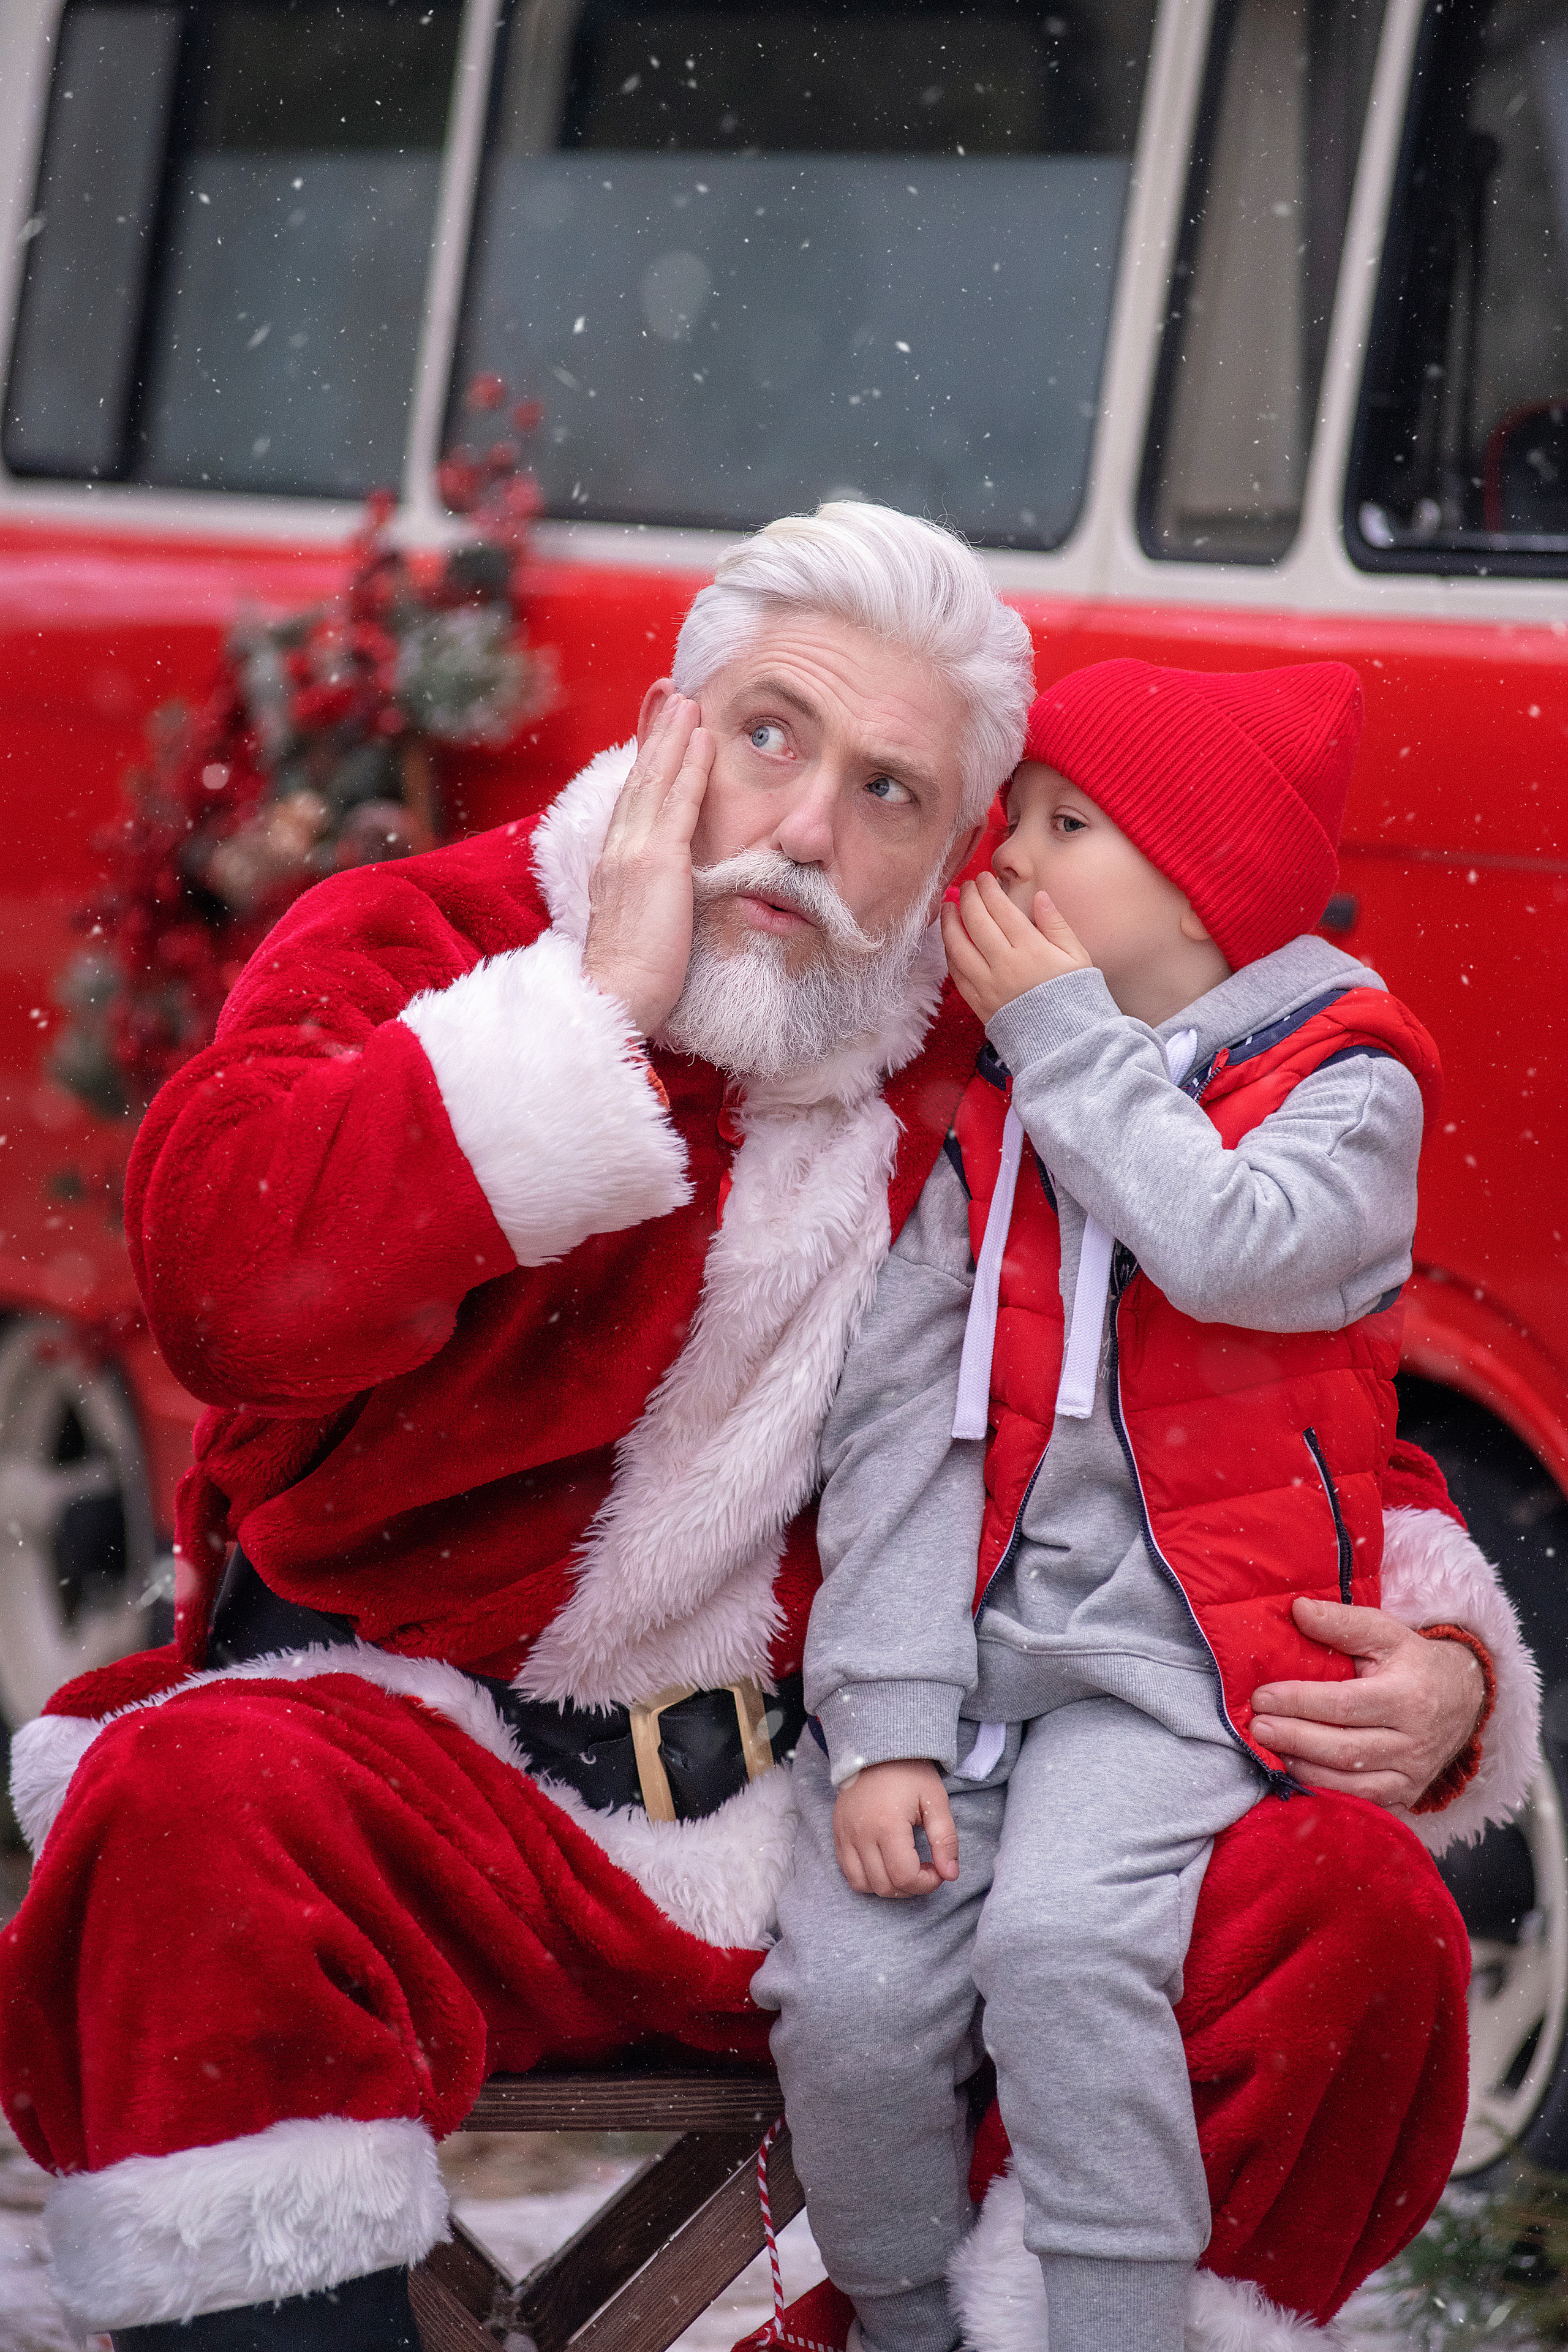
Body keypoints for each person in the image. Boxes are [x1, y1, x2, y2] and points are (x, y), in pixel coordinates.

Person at [0, 511, 1531, 2352]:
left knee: (1345, 1912)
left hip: (868, 1816)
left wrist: (1443, 1663)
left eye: (891, 792)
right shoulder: (448, 939)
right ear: (672, 728)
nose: (807, 831)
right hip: (448, 1793)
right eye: (772, 737)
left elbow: (1244, 1398)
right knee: (194, 1816)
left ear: (957, 851)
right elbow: (220, 1281)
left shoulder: (1003, 1056)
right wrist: (592, 1015)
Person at [758, 658, 1476, 2352]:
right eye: (1013, 816)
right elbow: (905, 1428)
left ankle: (1113, 2322)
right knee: (848, 2003)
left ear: (1207, 888)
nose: (1010, 855)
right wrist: (888, 1722)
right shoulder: (999, 1108)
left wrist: (1067, 1041)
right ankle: (905, 2324)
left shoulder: (1351, 1083)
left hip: (1180, 1670)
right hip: (973, 1664)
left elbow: (1234, 1245)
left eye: (1070, 824)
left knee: (1070, 1952)